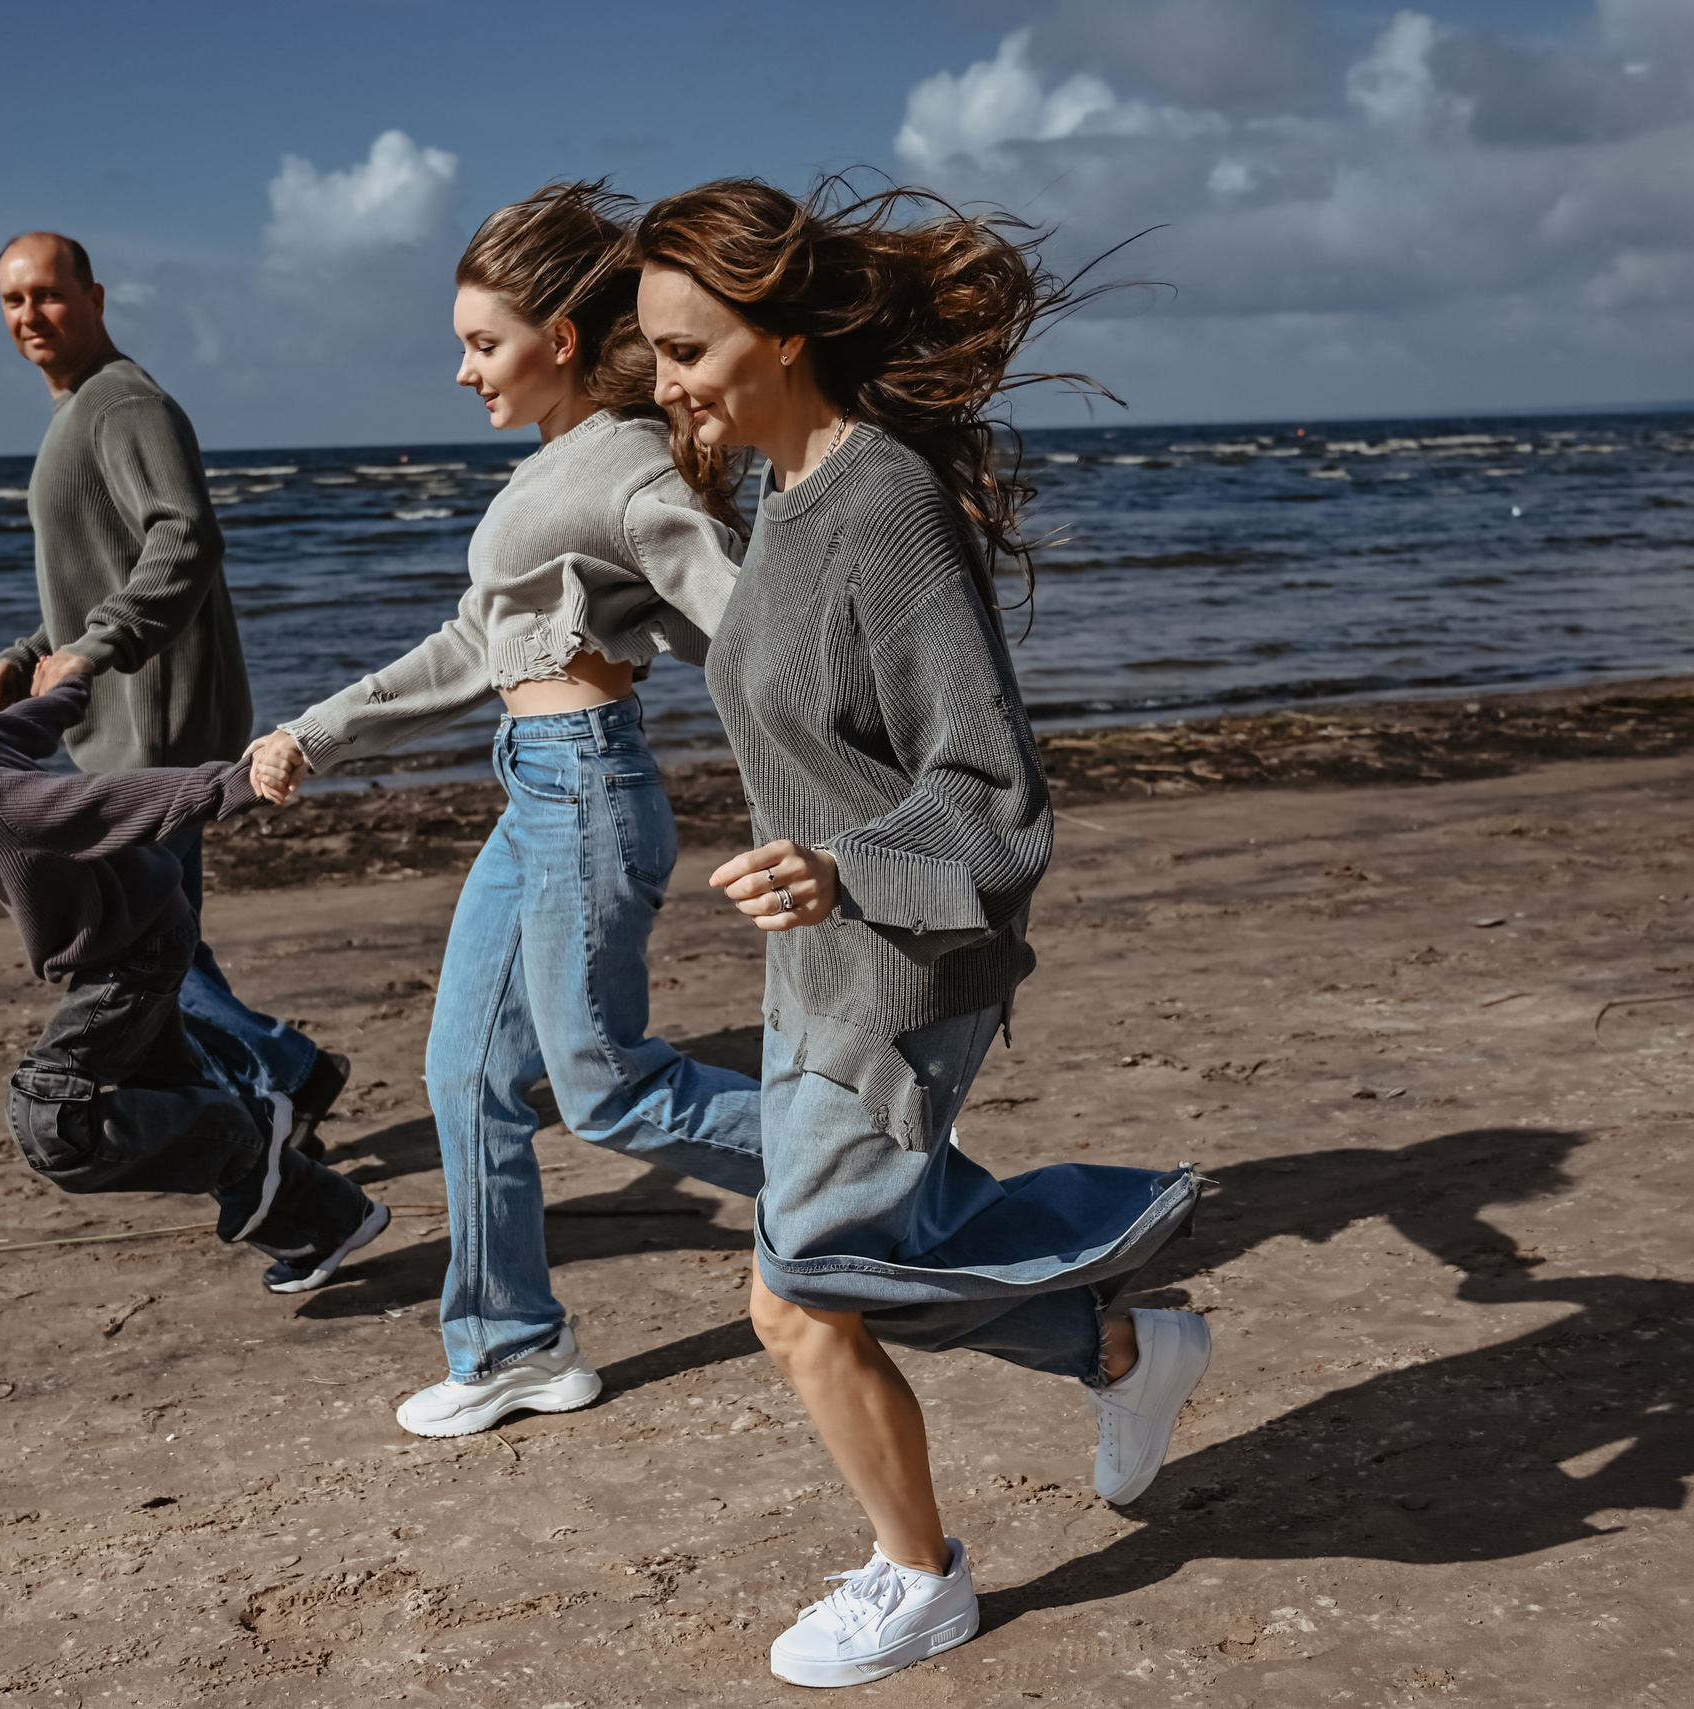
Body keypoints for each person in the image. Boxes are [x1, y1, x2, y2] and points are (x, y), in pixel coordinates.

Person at [635, 180, 1211, 1688]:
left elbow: (997, 794)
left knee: (799, 1291)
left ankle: (922, 1579)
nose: (666, 382)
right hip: (815, 958)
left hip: (898, 966)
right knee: (885, 1248)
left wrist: (840, 871)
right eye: (651, 353)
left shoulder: (881, 503)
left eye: (689, 349)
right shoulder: (783, 486)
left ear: (784, 333)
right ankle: (1122, 1348)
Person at [242, 183, 764, 1437]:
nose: (464, 369)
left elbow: (753, 633)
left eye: (484, 343)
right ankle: (514, 1344)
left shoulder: (628, 473)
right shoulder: (558, 470)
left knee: (604, 1089)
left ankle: (883, 1175)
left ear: (562, 339)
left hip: (588, 788)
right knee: (463, 1073)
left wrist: (838, 782)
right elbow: (473, 645)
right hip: (539, 792)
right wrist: (318, 728)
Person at [0, 628, 389, 1290]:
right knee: (172, 1101)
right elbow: (35, 723)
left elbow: (97, 803)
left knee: (51, 1120)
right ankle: (330, 1218)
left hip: (130, 953)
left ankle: (254, 1122)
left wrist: (234, 782)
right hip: (137, 931)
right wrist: (70, 677)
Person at [0, 231, 349, 1291]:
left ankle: (280, 1080)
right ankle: (284, 1075)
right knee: (162, 939)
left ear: (94, 296)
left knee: (149, 945)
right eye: (12, 300)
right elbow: (92, 578)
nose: (30, 315)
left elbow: (182, 540)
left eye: (48, 294)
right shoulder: (78, 413)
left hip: (154, 733)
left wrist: (97, 651)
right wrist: (26, 657)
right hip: (114, 724)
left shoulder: (124, 403)